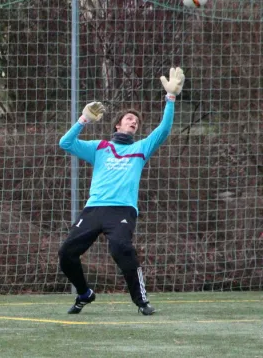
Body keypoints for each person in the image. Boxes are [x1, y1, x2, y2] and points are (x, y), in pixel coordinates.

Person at [58, 67, 185, 316]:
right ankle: (85, 294)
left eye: (136, 121)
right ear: (118, 124)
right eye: (129, 118)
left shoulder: (141, 148)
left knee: (120, 249)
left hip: (122, 210)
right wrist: (83, 120)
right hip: (94, 209)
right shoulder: (100, 147)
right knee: (66, 254)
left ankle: (141, 302)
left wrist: (170, 98)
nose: (133, 121)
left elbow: (164, 130)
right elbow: (65, 143)